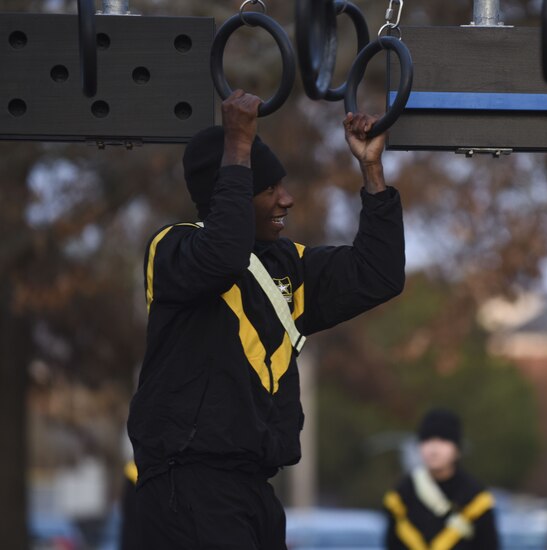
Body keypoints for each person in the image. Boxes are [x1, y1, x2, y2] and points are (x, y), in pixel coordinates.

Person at [127, 89, 405, 549]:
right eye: (270, 188)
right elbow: (224, 257)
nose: (288, 199)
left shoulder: (286, 265)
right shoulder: (173, 250)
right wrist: (237, 143)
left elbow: (378, 275)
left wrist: (371, 170)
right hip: (189, 484)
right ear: (228, 191)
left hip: (254, 487)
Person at [383, 408, 500, 550]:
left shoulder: (476, 497)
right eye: (427, 440)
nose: (434, 449)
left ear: (457, 449)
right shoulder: (400, 496)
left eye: (443, 441)